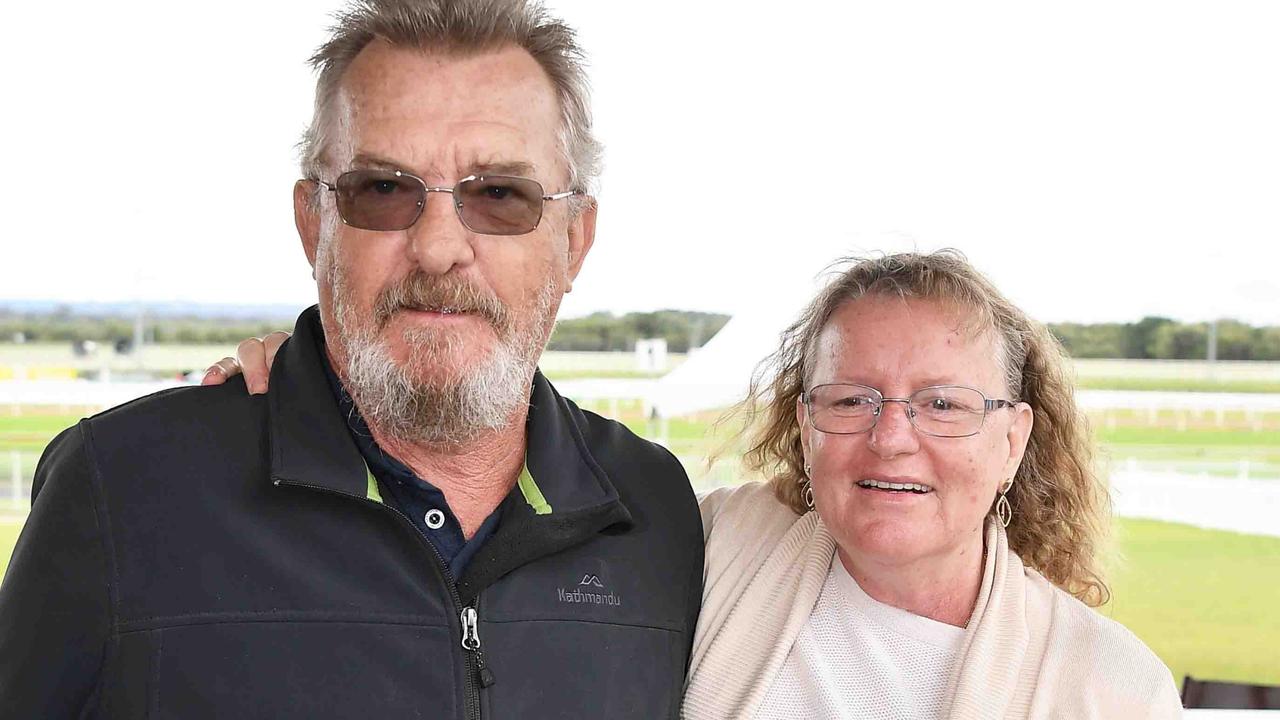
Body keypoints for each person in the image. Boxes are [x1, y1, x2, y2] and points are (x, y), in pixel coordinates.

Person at [0, 1, 703, 717]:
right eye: (385, 190)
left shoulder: (655, 511)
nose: (438, 248)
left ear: (574, 240)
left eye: (498, 196)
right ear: (315, 226)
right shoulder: (121, 488)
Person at [214, 251, 1183, 718]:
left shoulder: (1109, 689)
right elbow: (480, 466)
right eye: (847, 400)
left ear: (1011, 439)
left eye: (940, 405)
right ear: (802, 425)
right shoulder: (710, 550)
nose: (890, 440)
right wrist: (337, 382)